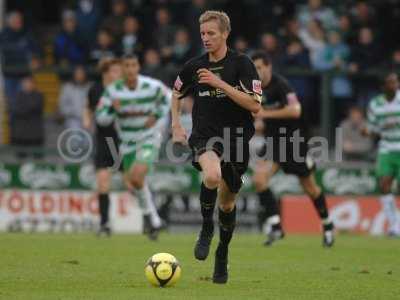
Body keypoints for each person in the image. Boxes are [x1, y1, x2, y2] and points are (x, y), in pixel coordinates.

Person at [171, 11, 262, 284]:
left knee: (227, 203)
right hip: (205, 135)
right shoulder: (194, 66)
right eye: (202, 34)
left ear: (224, 34)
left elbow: (255, 105)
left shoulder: (243, 64)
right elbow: (176, 92)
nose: (206, 38)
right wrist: (176, 125)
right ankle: (206, 227)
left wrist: (220, 83)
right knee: (211, 175)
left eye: (211, 33)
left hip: (236, 139)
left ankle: (222, 253)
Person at [251, 50, 334, 247]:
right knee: (259, 179)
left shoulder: (281, 85)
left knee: (311, 188)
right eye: (253, 69)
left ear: (268, 66)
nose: (256, 72)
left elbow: (295, 110)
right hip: (273, 142)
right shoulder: (255, 90)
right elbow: (261, 120)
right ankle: (276, 225)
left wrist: (265, 115)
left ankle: (328, 225)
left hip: (294, 142)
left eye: (259, 68)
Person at [96, 54, 170, 240]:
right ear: (122, 69)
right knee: (136, 182)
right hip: (127, 143)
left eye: (133, 65)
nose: (130, 69)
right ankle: (152, 219)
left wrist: (157, 114)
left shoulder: (151, 86)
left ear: (138, 67)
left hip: (149, 138)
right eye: (126, 65)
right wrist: (113, 108)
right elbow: (101, 118)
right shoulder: (112, 91)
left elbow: (170, 97)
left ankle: (151, 218)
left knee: (137, 176)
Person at [83, 58, 122, 236]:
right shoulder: (96, 89)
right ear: (106, 72)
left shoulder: (123, 90)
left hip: (123, 141)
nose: (119, 74)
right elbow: (88, 107)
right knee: (103, 182)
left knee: (134, 182)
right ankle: (104, 224)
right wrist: (87, 119)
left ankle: (152, 218)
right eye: (115, 70)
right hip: (103, 140)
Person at [365, 72, 400, 237]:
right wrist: (367, 131)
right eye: (390, 82)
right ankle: (394, 225)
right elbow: (372, 129)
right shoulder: (375, 104)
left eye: (395, 82)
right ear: (383, 87)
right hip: (386, 147)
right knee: (384, 185)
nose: (394, 85)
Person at [11, 75, 44, 158]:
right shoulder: (17, 95)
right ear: (22, 84)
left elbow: (37, 107)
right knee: (20, 158)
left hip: (36, 133)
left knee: (38, 158)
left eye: (30, 83)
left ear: (34, 84)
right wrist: (29, 107)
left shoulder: (39, 95)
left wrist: (24, 107)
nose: (28, 85)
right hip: (21, 133)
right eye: (25, 83)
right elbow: (16, 109)